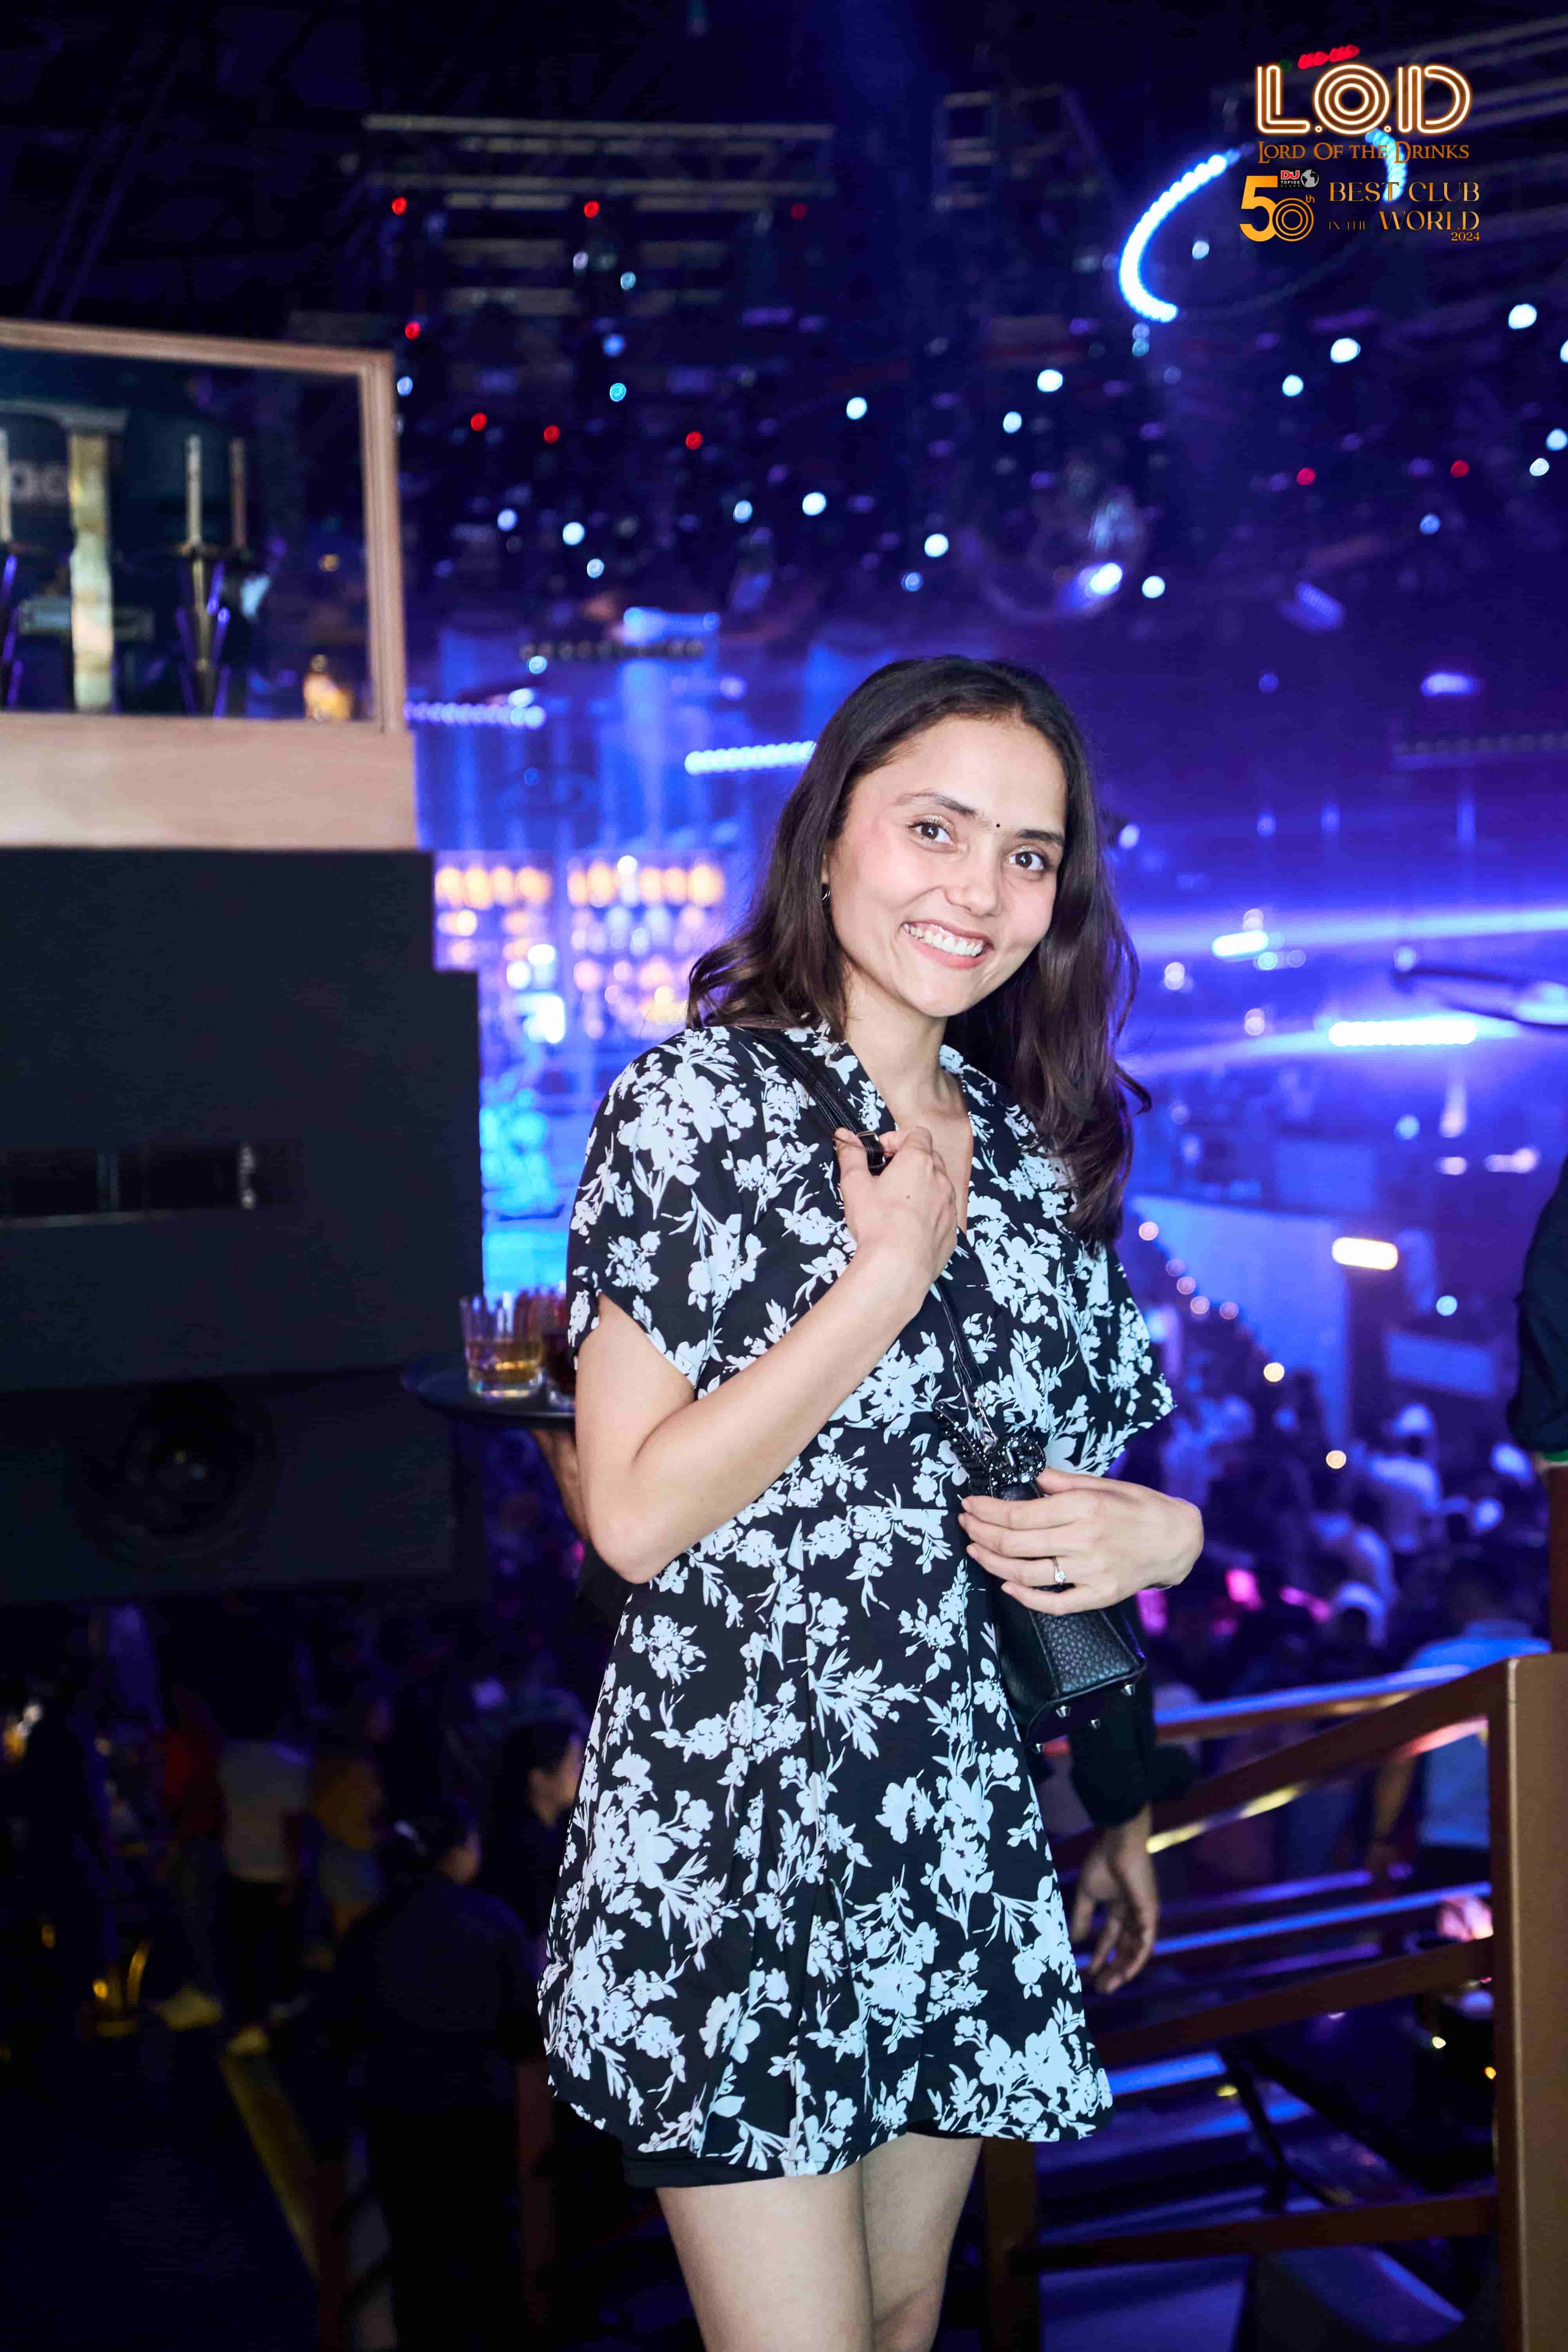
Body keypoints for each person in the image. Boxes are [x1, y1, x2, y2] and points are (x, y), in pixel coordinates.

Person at [533, 655, 1201, 2350]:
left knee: (904, 2319)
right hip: (734, 1819)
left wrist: (1166, 1560)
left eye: (1029, 853)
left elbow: (1056, 1512)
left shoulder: (1027, 1150)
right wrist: (882, 1274)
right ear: (828, 835)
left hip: (950, 1813)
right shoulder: (694, 1103)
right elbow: (631, 1515)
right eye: (934, 828)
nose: (980, 889)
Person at [321, 1798, 535, 2352]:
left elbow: (340, 2028)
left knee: (417, 2249)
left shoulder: (370, 1929)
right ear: (459, 1851)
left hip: (396, 2112)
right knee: (491, 2242)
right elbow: (527, 2029)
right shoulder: (493, 1919)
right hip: (479, 2109)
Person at [1367, 1555, 1549, 1889]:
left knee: (1445, 1924)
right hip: (1539, 1841)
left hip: (1448, 1840)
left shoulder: (1434, 1662)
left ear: (1460, 1595)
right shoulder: (1548, 1660)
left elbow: (1399, 1763)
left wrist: (1382, 1837)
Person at [217, 1700, 310, 2056]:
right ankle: (274, 2026)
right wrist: (294, 1876)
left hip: (238, 1866)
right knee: (279, 1953)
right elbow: (293, 1828)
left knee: (246, 1953)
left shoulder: (231, 1758)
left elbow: (223, 1811)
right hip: (275, 1871)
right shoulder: (291, 1764)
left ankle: (248, 2022)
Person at [482, 1715, 586, 1975]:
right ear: (539, 1778)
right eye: (575, 1765)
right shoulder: (518, 1849)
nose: (585, 1773)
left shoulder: (564, 1831)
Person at [150, 1681, 227, 2032]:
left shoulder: (186, 1742)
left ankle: (208, 1995)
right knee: (199, 1917)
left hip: (196, 1840)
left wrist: (170, 1849)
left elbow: (184, 1800)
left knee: (197, 1917)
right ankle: (205, 1990)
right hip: (205, 1839)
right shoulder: (207, 1738)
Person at [309, 1685, 390, 1940]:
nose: (388, 1719)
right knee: (354, 1943)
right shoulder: (353, 1768)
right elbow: (355, 1829)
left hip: (335, 1863)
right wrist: (387, 1836)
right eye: (383, 1712)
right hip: (351, 1869)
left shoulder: (331, 1760)